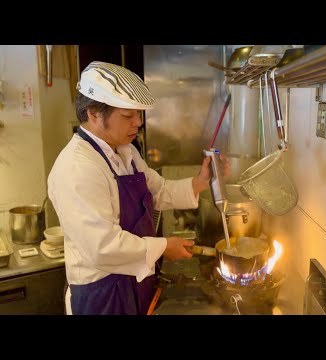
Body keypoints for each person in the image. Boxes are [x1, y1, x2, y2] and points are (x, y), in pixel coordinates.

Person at [47, 61, 230, 315]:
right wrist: (164, 247)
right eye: (128, 116)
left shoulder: (127, 151)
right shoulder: (77, 168)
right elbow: (103, 248)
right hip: (103, 294)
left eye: (138, 114)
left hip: (136, 281)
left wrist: (201, 181)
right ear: (93, 114)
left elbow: (157, 191)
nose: (138, 123)